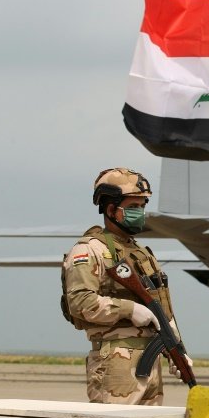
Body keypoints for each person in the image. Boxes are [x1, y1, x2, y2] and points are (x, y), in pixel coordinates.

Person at [61, 167, 191, 405]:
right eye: (133, 207)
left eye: (142, 206)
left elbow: (162, 306)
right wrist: (130, 310)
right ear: (111, 209)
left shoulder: (142, 253)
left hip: (150, 361)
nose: (140, 213)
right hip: (115, 361)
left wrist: (177, 348)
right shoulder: (90, 250)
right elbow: (80, 302)